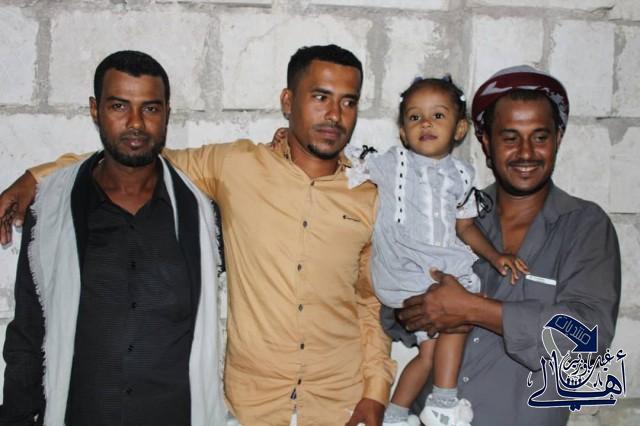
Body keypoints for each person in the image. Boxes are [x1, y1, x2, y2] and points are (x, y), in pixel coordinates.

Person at [0, 45, 395, 426]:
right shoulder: (236, 167)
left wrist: (376, 391)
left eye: (348, 102)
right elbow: (135, 156)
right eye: (321, 97)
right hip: (254, 406)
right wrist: (36, 177)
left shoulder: (371, 195)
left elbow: (370, 300)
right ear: (288, 102)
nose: (334, 115)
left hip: (340, 401)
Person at [384, 65, 621, 426]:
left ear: (558, 138)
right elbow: (395, 305)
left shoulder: (584, 226)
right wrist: (410, 310)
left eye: (539, 137)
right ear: (485, 142)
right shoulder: (449, 212)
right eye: (510, 138)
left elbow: (587, 341)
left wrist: (472, 309)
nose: (526, 153)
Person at [0, 51, 225, 425]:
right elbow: (28, 334)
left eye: (150, 108)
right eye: (119, 106)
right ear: (95, 110)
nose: (135, 123)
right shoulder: (53, 209)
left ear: (167, 113)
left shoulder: (202, 214)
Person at [345, 76, 527, 426]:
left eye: (437, 116)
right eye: (415, 117)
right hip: (406, 266)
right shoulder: (394, 162)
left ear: (459, 129)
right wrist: (285, 140)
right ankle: (444, 402)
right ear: (403, 132)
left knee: (428, 353)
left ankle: (396, 414)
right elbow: (344, 158)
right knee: (460, 315)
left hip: (434, 266)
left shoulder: (462, 175)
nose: (426, 124)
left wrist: (495, 256)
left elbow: (466, 228)